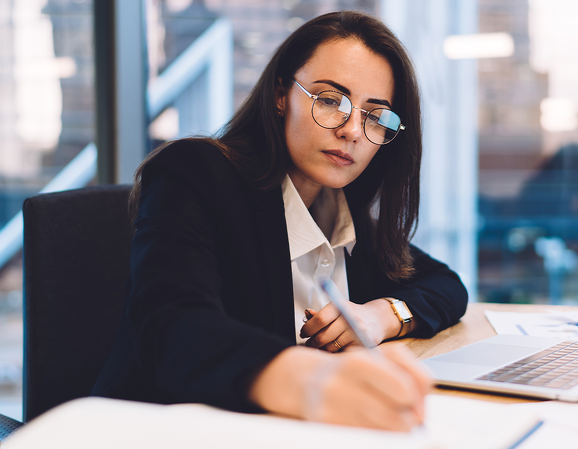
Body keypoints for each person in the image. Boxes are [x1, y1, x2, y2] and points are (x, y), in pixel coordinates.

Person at [91, 11, 468, 432]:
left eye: (375, 116)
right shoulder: (195, 174)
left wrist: (381, 314)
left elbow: (446, 284)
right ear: (280, 93)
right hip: (165, 432)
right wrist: (314, 380)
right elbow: (176, 331)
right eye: (330, 100)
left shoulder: (340, 211)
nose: (352, 131)